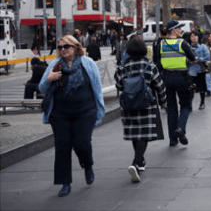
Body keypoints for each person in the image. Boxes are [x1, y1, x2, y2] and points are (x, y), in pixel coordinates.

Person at [38, 35, 105, 197]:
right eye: (59, 47)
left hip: (85, 111)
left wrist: (99, 108)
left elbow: (97, 87)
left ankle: (87, 165)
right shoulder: (55, 65)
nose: (62, 50)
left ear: (75, 47)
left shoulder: (87, 63)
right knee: (62, 147)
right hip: (60, 114)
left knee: (82, 143)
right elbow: (41, 88)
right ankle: (65, 183)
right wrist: (49, 78)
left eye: (65, 46)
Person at [114, 37, 167, 183]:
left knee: (135, 133)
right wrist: (163, 102)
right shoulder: (149, 66)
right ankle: (136, 163)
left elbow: (118, 86)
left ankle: (141, 161)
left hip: (129, 106)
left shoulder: (122, 68)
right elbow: (159, 85)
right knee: (143, 134)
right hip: (146, 105)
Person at [156, 20, 196, 147]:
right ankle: (181, 128)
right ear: (173, 30)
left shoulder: (160, 44)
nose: (180, 31)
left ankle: (172, 139)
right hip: (181, 78)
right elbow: (193, 57)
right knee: (185, 105)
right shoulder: (182, 43)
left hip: (166, 78)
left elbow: (156, 62)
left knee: (171, 109)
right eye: (179, 28)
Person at [187, 32, 210, 110]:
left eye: (196, 36)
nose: (194, 38)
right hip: (191, 70)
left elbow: (207, 56)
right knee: (190, 88)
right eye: (192, 36)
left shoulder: (202, 47)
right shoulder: (188, 47)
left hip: (200, 70)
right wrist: (190, 60)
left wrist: (200, 59)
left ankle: (202, 102)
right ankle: (189, 104)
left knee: (202, 88)